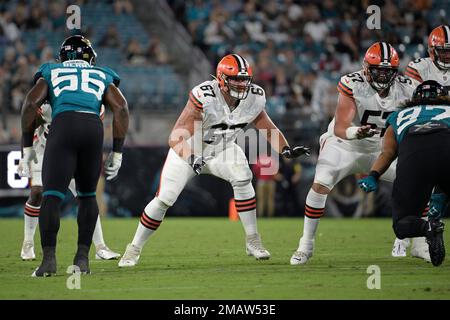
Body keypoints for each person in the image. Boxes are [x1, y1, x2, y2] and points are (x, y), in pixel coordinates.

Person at [118, 53, 310, 267]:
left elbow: (267, 126)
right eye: (235, 78)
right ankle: (133, 248)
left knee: (243, 177)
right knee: (165, 199)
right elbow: (175, 137)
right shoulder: (205, 95)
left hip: (222, 149)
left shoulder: (254, 97)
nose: (241, 83)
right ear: (221, 78)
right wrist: (192, 158)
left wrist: (285, 150)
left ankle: (252, 240)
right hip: (190, 149)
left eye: (244, 79)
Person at [290, 42, 417, 265]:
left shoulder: (406, 87)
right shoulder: (353, 83)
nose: (382, 75)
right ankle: (306, 244)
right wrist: (355, 131)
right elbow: (340, 126)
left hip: (381, 148)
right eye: (378, 70)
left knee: (415, 182)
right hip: (345, 144)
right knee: (320, 183)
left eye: (388, 71)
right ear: (366, 68)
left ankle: (412, 240)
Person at [20, 35, 129, 277]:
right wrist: (118, 152)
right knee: (88, 196)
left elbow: (29, 104)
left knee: (51, 196)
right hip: (93, 128)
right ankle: (82, 260)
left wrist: (27, 149)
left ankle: (49, 261)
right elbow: (121, 107)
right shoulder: (102, 73)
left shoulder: (50, 70)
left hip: (64, 126)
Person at [358, 80, 448, 266]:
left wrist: (374, 175)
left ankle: (428, 227)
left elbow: (388, 152)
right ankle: (440, 196)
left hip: (414, 158)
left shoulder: (399, 115)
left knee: (402, 225)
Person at [18, 103, 121, 261]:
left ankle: (100, 247)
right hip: (43, 149)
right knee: (37, 193)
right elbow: (28, 125)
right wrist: (25, 154)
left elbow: (93, 132)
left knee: (86, 194)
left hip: (70, 149)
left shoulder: (94, 103)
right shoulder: (48, 102)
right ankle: (28, 242)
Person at [388, 25, 450, 257]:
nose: (446, 55)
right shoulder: (418, 68)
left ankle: (421, 232)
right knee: (411, 188)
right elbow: (412, 101)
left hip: (443, 127)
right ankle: (402, 240)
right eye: (442, 51)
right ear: (432, 51)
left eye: (449, 51)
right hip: (422, 126)